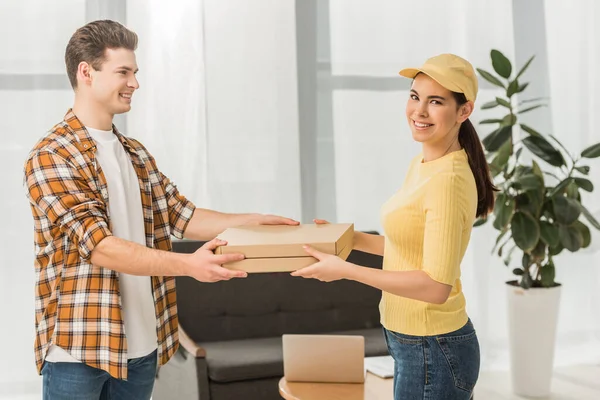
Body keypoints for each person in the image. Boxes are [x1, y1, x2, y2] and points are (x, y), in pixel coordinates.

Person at [23, 20, 298, 400]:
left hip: (141, 348)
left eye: (135, 72)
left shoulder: (134, 153)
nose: (135, 82)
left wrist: (251, 221)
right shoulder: (52, 156)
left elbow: (181, 216)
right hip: (80, 351)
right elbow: (101, 246)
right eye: (124, 72)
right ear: (86, 72)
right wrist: (189, 266)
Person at [292, 53, 496, 399]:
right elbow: (412, 248)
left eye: (436, 102)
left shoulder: (447, 179)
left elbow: (435, 286)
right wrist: (349, 238)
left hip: (432, 347)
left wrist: (347, 270)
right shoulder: (425, 161)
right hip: (417, 343)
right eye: (415, 96)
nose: (419, 111)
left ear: (465, 111)